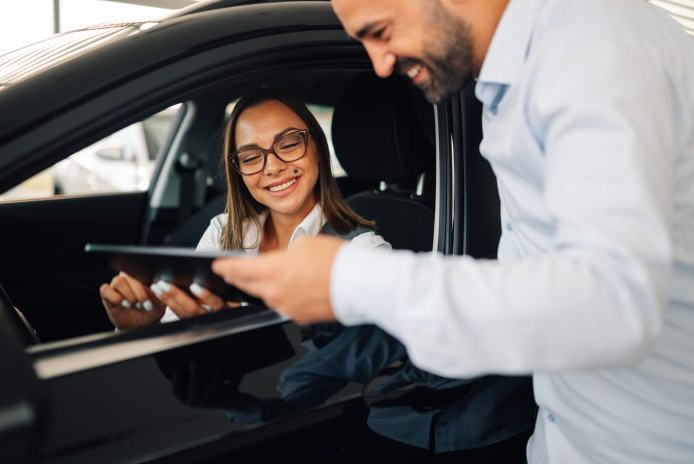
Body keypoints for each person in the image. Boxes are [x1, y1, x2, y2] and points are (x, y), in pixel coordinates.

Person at [210, 0, 694, 463]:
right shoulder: (508, 86)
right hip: (564, 434)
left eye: (380, 31)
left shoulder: (592, 48)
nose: (380, 65)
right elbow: (536, 295)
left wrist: (348, 279)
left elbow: (612, 302)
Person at [99, 86, 388, 330]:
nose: (273, 167)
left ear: (317, 148)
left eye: (288, 144)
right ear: (238, 172)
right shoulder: (222, 233)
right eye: (251, 158)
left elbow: (368, 370)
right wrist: (142, 330)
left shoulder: (363, 254)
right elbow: (176, 335)